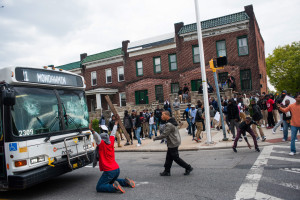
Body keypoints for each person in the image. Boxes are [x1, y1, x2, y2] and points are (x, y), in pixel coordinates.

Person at [90, 118, 135, 193]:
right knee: (111, 180)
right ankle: (125, 182)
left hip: (109, 171)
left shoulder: (102, 144)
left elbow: (97, 137)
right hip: (117, 169)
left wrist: (92, 130)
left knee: (99, 186)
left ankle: (113, 187)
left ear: (102, 140)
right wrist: (116, 124)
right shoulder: (110, 142)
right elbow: (113, 133)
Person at [153, 111, 193, 176]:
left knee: (176, 158)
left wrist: (156, 138)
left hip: (173, 142)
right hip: (173, 141)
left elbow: (164, 134)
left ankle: (188, 167)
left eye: (163, 115)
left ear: (167, 115)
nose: (161, 116)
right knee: (169, 157)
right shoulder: (172, 121)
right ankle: (167, 171)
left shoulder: (169, 124)